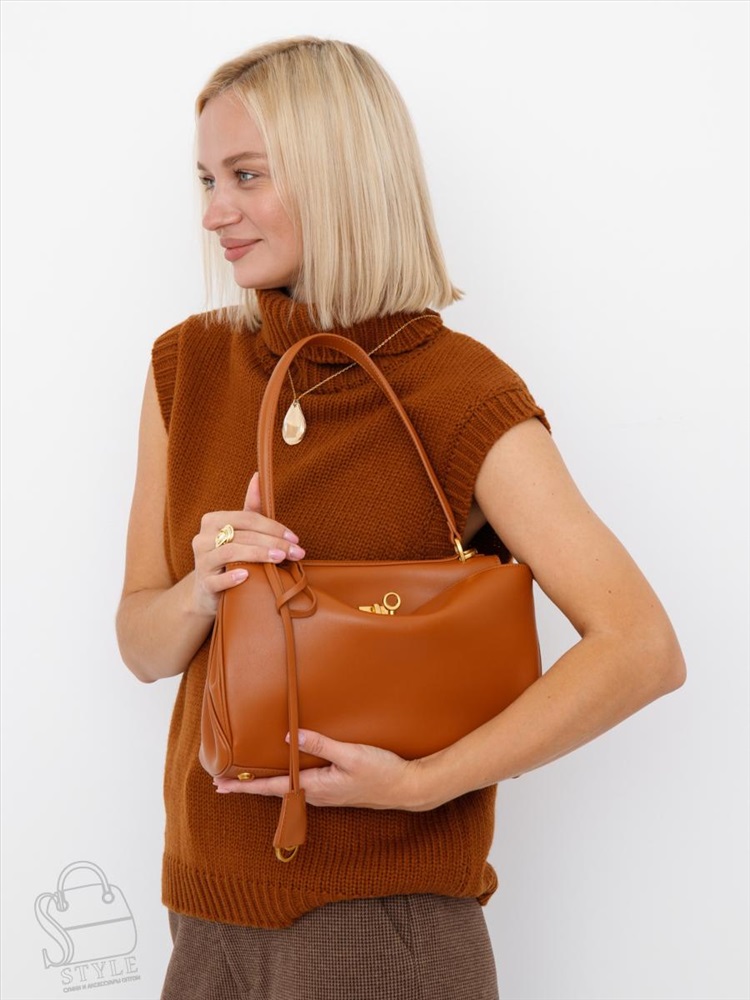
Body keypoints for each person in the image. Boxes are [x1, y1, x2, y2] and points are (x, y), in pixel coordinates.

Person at [116, 36, 686, 1000]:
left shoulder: (458, 392)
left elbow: (642, 648)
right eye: (206, 179)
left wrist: (425, 784)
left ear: (338, 172)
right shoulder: (188, 366)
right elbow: (140, 644)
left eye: (247, 175)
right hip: (207, 913)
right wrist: (202, 589)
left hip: (386, 926)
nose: (214, 212)